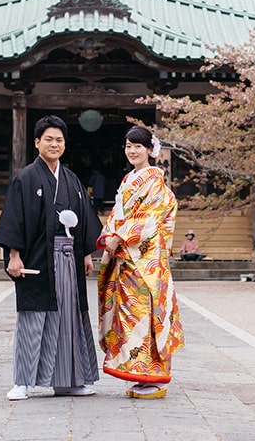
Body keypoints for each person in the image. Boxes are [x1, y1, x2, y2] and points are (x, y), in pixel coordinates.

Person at [0, 115, 102, 401]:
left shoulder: (71, 179)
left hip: (69, 259)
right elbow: (14, 217)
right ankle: (22, 382)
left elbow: (84, 218)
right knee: (33, 317)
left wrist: (86, 253)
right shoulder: (26, 177)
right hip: (38, 259)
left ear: (65, 145)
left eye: (60, 140)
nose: (55, 144)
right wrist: (13, 255)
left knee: (69, 318)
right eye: (49, 139)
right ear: (37, 142)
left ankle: (68, 380)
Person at [97, 126, 185, 400]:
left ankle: (155, 378)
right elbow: (117, 214)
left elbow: (148, 219)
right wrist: (110, 236)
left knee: (147, 316)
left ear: (150, 149)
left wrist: (119, 236)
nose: (132, 151)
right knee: (130, 317)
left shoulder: (156, 182)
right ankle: (139, 373)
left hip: (146, 261)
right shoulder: (128, 180)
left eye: (137, 146)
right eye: (128, 146)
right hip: (127, 259)